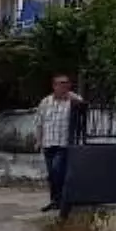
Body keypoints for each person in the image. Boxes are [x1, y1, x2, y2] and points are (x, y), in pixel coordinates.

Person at [34, 74, 83, 212]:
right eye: (61, 83)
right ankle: (55, 201)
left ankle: (62, 200)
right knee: (52, 175)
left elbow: (83, 107)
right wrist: (38, 140)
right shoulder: (45, 102)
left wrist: (73, 98)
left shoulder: (72, 99)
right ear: (54, 86)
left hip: (63, 144)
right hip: (48, 143)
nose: (64, 86)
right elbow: (39, 122)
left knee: (57, 171)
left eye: (67, 83)